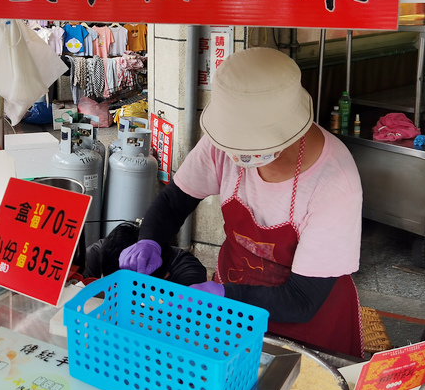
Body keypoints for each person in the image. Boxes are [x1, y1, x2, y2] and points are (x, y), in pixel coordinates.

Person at [119, 47, 364, 358]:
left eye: (248, 146)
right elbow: (174, 202)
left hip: (307, 321)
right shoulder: (225, 143)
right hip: (232, 304)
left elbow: (301, 300)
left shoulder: (335, 183)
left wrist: (224, 297)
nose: (236, 156)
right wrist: (149, 241)